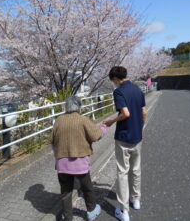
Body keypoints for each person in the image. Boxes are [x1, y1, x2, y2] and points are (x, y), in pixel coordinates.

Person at [51, 96, 107, 221]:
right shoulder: (82, 120)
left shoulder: (59, 120)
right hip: (80, 163)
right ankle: (91, 211)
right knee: (87, 188)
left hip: (62, 164)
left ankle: (68, 217)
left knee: (66, 193)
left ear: (66, 107)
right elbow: (96, 135)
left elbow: (53, 141)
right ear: (79, 107)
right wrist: (104, 128)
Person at [104, 66, 147, 221]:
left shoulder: (119, 92)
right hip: (137, 136)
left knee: (122, 172)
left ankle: (124, 211)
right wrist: (140, 127)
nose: (113, 84)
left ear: (116, 78)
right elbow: (144, 112)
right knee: (136, 169)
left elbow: (125, 113)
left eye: (113, 81)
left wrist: (111, 122)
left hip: (123, 137)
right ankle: (135, 200)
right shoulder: (138, 90)